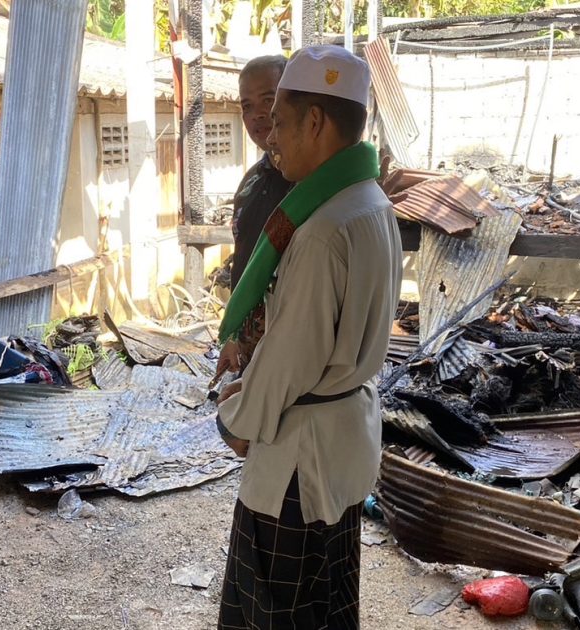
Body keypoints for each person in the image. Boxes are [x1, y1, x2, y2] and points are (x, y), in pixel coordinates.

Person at [214, 45, 403, 629]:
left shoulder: (322, 230)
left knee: (279, 611)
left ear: (316, 122)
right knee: (329, 602)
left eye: (280, 122)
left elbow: (289, 361)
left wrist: (237, 420)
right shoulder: (370, 203)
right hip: (342, 441)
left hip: (299, 459)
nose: (271, 138)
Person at [217, 55, 296, 378]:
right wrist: (233, 335)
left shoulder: (312, 185)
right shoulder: (251, 183)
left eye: (268, 100)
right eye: (247, 106)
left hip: (295, 348)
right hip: (251, 349)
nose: (258, 115)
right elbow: (244, 261)